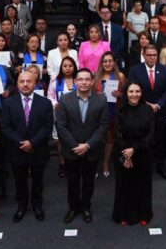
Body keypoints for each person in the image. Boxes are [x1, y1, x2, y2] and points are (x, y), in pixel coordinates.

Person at [56, 68, 109, 223]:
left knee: (88, 182)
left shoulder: (101, 100)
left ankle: (85, 207)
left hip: (91, 150)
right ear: (75, 81)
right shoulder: (65, 99)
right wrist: (75, 145)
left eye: (87, 79)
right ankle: (73, 208)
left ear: (92, 81)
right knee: (72, 182)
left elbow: (103, 126)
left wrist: (88, 145)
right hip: (71, 150)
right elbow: (61, 126)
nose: (84, 82)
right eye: (80, 79)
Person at [0, 71, 54, 222]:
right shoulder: (8, 103)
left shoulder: (45, 103)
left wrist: (32, 142)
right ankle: (22, 206)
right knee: (19, 180)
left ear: (35, 83)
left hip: (38, 149)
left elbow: (47, 127)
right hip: (17, 150)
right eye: (21, 81)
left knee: (38, 180)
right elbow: (5, 127)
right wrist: (21, 143)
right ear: (16, 84)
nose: (25, 84)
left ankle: (37, 205)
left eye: (28, 81)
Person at [127, 45, 166, 180]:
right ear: (143, 54)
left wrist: (158, 105)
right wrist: (146, 105)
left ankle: (160, 165)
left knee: (160, 140)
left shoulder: (164, 70)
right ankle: (139, 167)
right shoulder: (135, 70)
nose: (152, 57)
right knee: (141, 139)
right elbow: (131, 89)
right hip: (141, 111)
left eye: (154, 55)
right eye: (149, 55)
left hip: (159, 111)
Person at [112, 81, 155, 226]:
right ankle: (122, 215)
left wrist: (134, 149)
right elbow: (117, 134)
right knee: (124, 185)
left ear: (142, 93)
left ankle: (144, 214)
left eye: (137, 91)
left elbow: (151, 134)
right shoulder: (120, 109)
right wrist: (126, 154)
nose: (134, 95)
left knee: (143, 185)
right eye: (131, 92)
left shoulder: (148, 109)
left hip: (143, 152)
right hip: (122, 152)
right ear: (126, 93)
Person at [94, 52, 126, 177]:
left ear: (114, 63)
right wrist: (96, 96)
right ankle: (95, 165)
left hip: (113, 111)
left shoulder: (120, 76)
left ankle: (106, 163)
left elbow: (127, 96)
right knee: (96, 140)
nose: (107, 64)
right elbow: (88, 96)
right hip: (98, 113)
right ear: (101, 63)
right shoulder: (95, 77)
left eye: (110, 61)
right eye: (105, 61)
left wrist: (120, 95)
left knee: (109, 139)